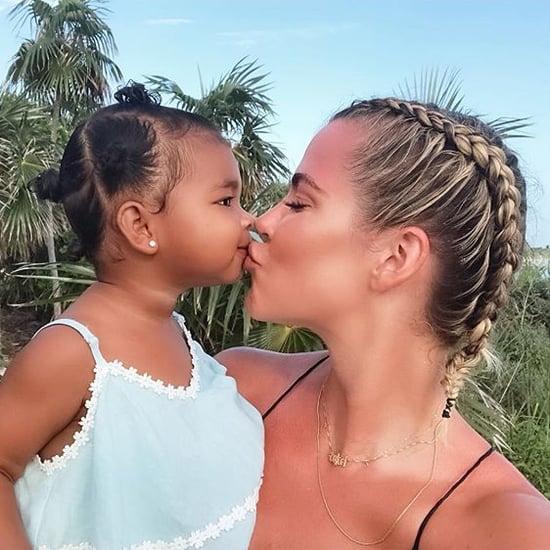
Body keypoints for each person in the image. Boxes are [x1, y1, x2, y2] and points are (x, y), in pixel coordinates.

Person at [218, 98, 550, 549]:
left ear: (397, 256)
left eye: (298, 203)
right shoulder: (236, 390)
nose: (263, 221)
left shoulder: (512, 531)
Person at [0, 84, 263, 549]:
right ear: (140, 225)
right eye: (226, 201)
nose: (249, 219)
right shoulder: (73, 353)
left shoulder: (178, 335)